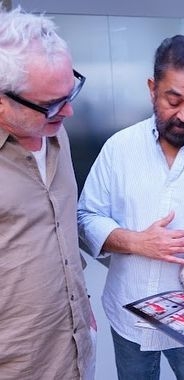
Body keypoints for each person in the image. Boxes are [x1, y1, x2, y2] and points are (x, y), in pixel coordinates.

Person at [77, 34, 184, 380]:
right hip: (129, 312)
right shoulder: (119, 149)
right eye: (173, 100)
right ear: (152, 88)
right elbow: (86, 217)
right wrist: (135, 242)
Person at [0, 5, 95, 379]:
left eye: (71, 90)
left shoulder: (56, 133)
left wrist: (79, 297)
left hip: (73, 347)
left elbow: (60, 227)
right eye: (52, 103)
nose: (69, 111)